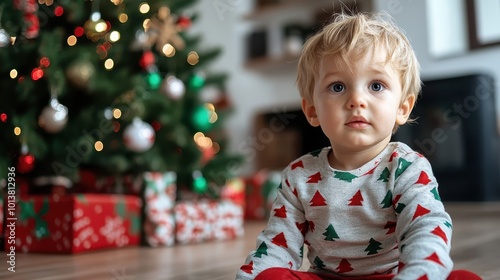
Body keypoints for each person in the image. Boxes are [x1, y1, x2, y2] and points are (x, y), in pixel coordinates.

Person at [235, 13, 482, 280]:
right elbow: (276, 246)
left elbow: (426, 228)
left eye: (376, 85)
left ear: (402, 107)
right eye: (338, 86)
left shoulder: (408, 168)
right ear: (312, 110)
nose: (356, 100)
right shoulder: (298, 176)